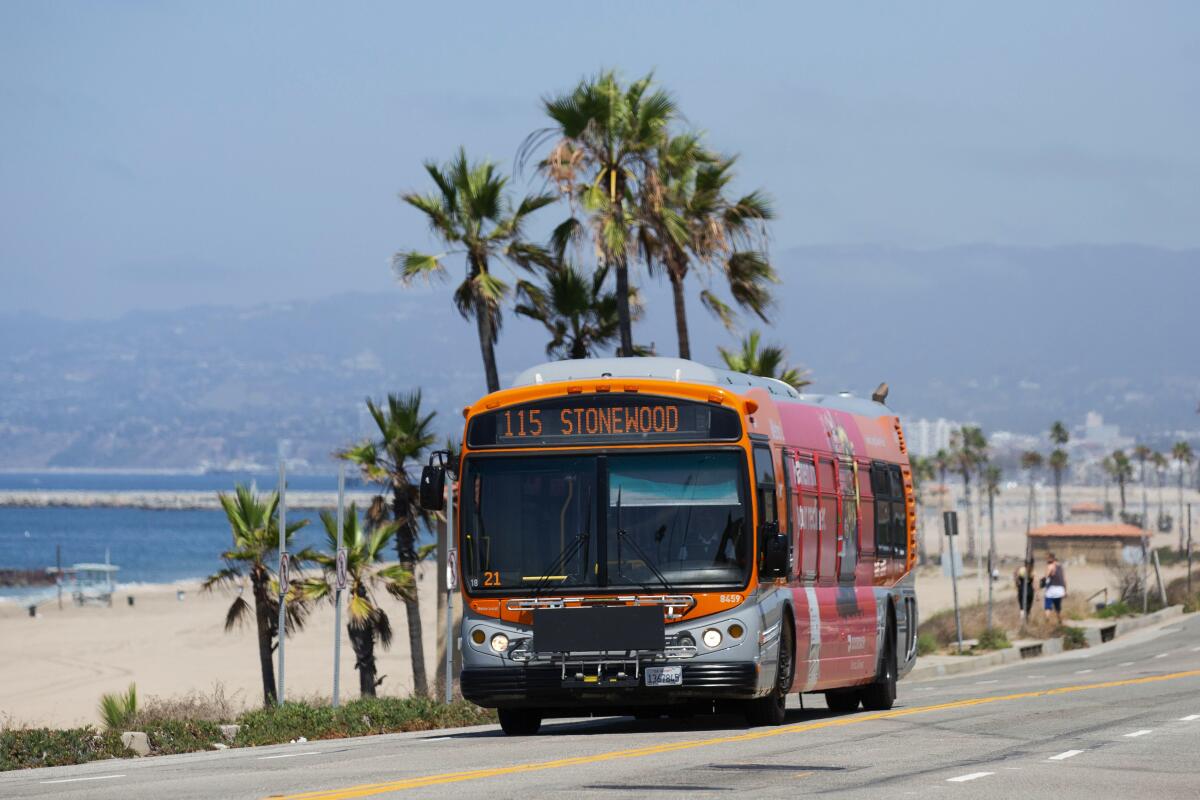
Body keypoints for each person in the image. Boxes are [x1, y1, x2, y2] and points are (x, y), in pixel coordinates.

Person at [1043, 553, 1066, 623]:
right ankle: (1060, 620)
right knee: (1058, 607)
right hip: (1060, 589)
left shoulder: (1050, 566)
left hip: (1052, 588)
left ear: (1051, 558)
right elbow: (1064, 579)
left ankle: (1047, 619)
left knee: (1048, 606)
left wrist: (1044, 581)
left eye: (1047, 558)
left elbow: (1046, 576)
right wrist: (1065, 591)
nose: (1046, 560)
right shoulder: (1060, 567)